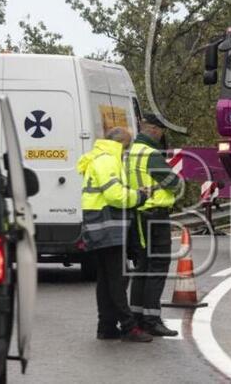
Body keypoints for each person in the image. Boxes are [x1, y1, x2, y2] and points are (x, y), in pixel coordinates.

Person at [77, 127, 152, 342]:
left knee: (106, 280)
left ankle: (107, 326)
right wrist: (139, 196)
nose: (126, 153)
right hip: (107, 226)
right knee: (118, 279)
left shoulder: (99, 157)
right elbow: (114, 195)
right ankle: (129, 327)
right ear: (120, 144)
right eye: (126, 147)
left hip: (99, 226)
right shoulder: (108, 160)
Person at [127, 114, 182, 337]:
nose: (161, 135)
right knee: (157, 267)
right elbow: (173, 182)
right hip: (155, 216)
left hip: (138, 215)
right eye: (160, 131)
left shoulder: (131, 152)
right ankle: (152, 319)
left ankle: (137, 316)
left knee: (143, 267)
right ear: (154, 130)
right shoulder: (151, 154)